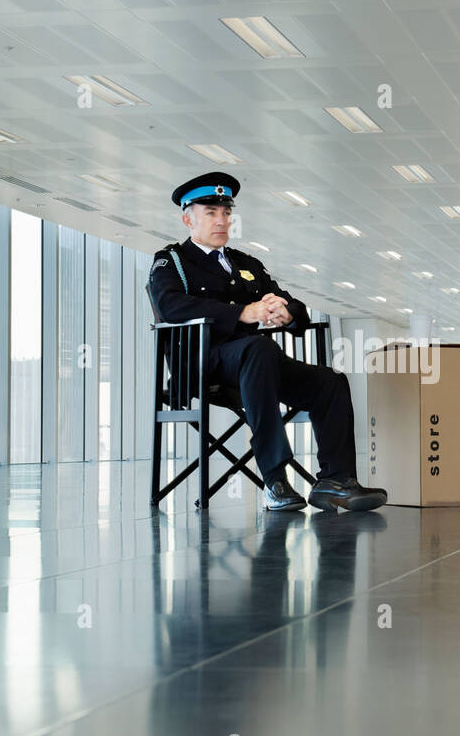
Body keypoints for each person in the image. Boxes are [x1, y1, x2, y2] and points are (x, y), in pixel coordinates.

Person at [149, 174, 387, 513]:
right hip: (203, 361)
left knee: (329, 383)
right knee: (259, 349)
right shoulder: (171, 262)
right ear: (188, 218)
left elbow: (293, 304)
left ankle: (335, 481)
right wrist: (243, 312)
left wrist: (286, 314)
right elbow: (170, 306)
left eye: (226, 213)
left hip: (255, 365)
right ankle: (274, 479)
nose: (221, 220)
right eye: (211, 212)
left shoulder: (247, 265)